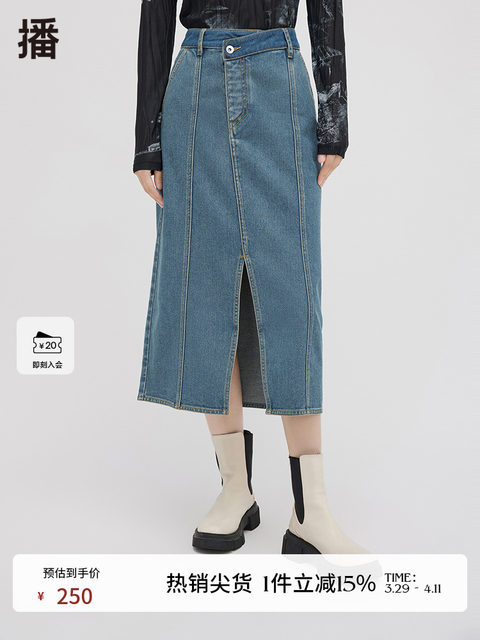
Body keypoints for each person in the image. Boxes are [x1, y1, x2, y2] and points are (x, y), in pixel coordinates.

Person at [133, 0, 368, 554]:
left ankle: (311, 510)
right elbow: (155, 13)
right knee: (205, 286)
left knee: (292, 292)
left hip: (279, 79)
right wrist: (148, 138)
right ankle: (235, 488)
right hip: (196, 85)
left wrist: (334, 117)